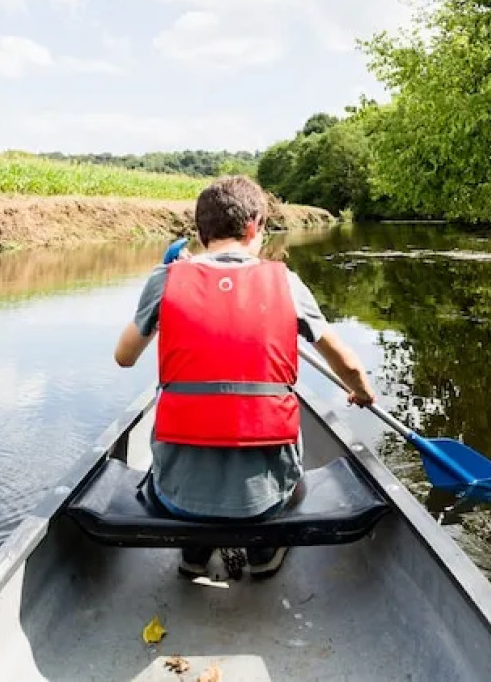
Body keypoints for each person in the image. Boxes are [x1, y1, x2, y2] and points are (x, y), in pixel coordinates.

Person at [113, 175, 377, 579]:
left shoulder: (166, 280)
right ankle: (263, 552)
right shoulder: (286, 283)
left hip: (176, 499)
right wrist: (362, 392)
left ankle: (193, 552)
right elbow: (349, 366)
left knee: (175, 474)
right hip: (264, 503)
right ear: (254, 227)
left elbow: (124, 357)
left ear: (200, 231)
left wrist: (165, 295)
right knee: (293, 483)